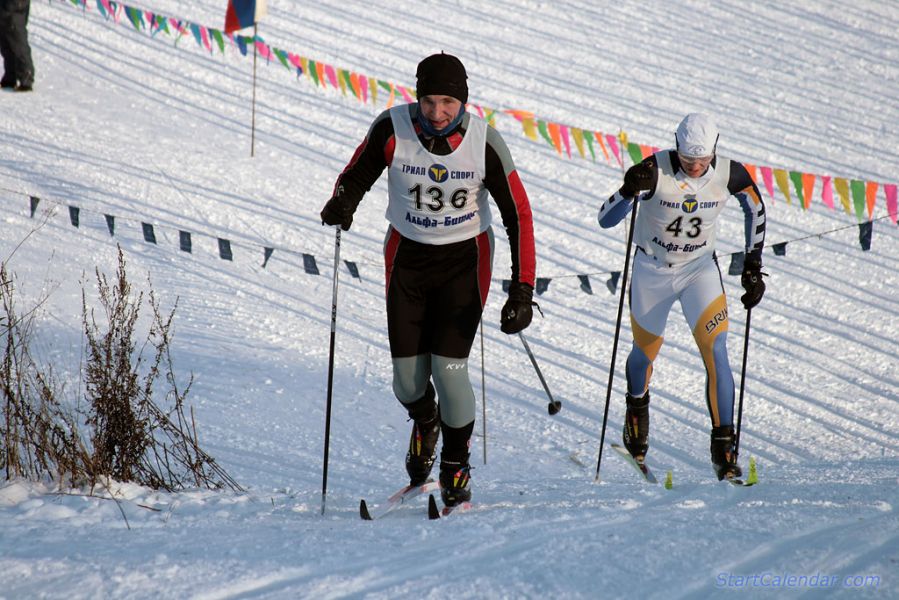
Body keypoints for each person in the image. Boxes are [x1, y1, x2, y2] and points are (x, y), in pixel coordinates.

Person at [319, 52, 536, 507]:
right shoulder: (392, 128)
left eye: (448, 103)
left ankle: (456, 464)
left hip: (464, 262)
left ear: (464, 102)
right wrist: (343, 201)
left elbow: (518, 214)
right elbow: (357, 174)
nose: (437, 112)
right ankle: (426, 421)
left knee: (450, 372)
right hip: (408, 259)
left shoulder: (484, 142)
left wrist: (522, 289)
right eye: (429, 101)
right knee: (407, 383)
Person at [597, 113, 766, 480]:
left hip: (699, 270)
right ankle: (636, 409)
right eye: (688, 159)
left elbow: (755, 208)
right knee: (644, 354)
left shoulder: (729, 173)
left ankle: (724, 449)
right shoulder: (654, 170)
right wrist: (628, 190)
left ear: (714, 151)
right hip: (652, 271)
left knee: (716, 349)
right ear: (676, 147)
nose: (695, 166)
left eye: (702, 160)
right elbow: (605, 219)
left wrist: (753, 264)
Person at [0, 0, 34, 92]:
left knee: (18, 43)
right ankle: (10, 77)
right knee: (6, 44)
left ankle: (26, 78)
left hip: (15, 7)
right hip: (4, 7)